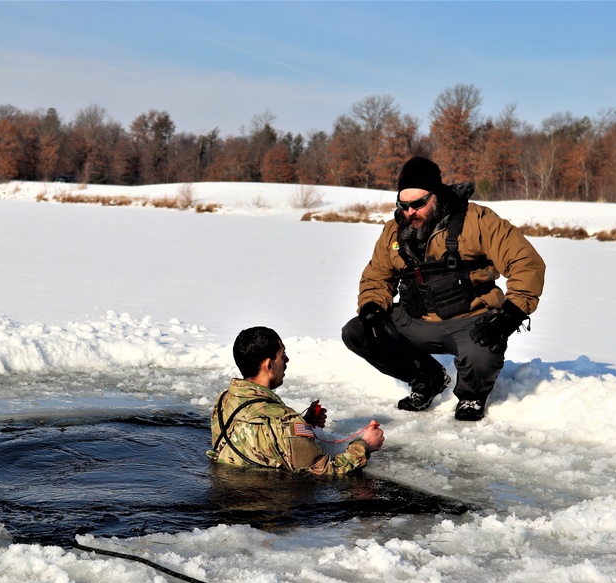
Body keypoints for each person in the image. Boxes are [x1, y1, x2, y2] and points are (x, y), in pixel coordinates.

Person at [341, 156, 546, 421]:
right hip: (414, 318)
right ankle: (427, 377)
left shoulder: (477, 220)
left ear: (435, 195)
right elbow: (377, 276)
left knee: (484, 349)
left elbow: (526, 261)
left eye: (418, 204)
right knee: (358, 332)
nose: (410, 211)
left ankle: (472, 396)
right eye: (403, 205)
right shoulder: (394, 231)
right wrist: (371, 308)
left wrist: (511, 314)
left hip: (469, 320)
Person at [210, 326, 385, 476]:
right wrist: (365, 446)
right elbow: (326, 473)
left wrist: (303, 426)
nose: (286, 360)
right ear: (269, 365)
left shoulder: (224, 400)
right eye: (282, 354)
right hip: (267, 507)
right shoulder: (284, 420)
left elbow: (258, 442)